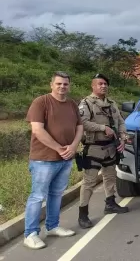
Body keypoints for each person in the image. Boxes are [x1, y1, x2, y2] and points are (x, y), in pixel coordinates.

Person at [23, 71, 83, 250]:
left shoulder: (72, 104)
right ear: (51, 85)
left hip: (65, 159)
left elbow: (79, 127)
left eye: (65, 84)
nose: (62, 87)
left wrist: (73, 146)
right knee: (37, 196)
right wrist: (59, 148)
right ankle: (30, 234)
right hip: (44, 159)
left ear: (69, 86)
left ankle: (53, 226)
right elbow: (37, 130)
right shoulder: (41, 102)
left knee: (56, 194)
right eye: (58, 84)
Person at [77, 74, 129, 229]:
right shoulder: (86, 103)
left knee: (110, 176)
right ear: (93, 86)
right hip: (94, 147)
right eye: (100, 84)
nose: (103, 86)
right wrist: (102, 128)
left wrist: (123, 138)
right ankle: (83, 214)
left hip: (111, 147)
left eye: (105, 83)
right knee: (89, 182)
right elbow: (82, 122)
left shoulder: (112, 104)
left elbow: (120, 122)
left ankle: (111, 203)